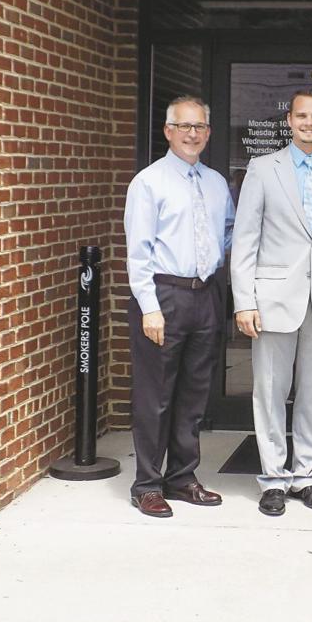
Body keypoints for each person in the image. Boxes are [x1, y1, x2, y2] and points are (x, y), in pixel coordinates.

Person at [232, 89, 312, 517]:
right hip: (271, 299)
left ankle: (305, 476)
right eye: (301, 116)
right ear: (290, 120)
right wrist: (243, 301)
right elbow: (245, 239)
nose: (309, 122)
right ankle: (272, 477)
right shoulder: (264, 168)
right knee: (270, 391)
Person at [124, 96, 234, 518]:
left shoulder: (216, 182)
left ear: (208, 132)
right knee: (156, 396)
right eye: (184, 126)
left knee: (194, 394)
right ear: (168, 131)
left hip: (205, 294)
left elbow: (227, 234)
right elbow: (139, 251)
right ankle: (147, 484)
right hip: (163, 294)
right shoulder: (149, 183)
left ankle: (183, 477)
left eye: (200, 127)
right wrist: (149, 307)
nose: (193, 133)